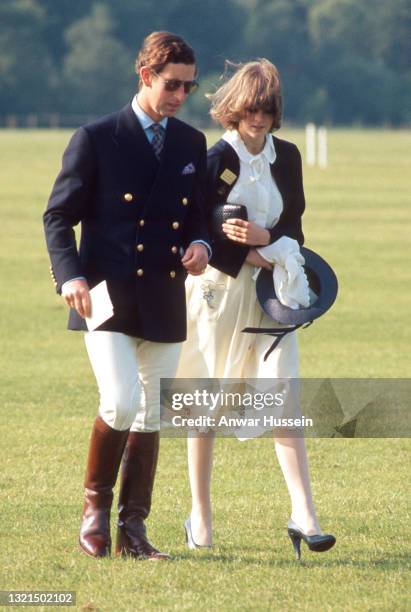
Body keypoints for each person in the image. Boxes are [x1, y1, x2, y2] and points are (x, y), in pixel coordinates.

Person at [43, 31, 210, 560]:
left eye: (189, 86)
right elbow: (58, 216)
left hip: (164, 295)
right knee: (120, 401)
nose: (180, 96)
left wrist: (202, 244)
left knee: (152, 413)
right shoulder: (95, 138)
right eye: (171, 85)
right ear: (145, 77)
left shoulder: (190, 143)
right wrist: (69, 276)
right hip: (104, 297)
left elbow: (199, 214)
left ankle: (132, 533)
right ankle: (94, 512)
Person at [176, 59, 336, 559]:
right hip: (218, 291)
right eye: (251, 110)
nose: (259, 119)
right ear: (234, 109)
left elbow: (297, 229)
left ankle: (304, 513)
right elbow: (194, 230)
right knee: (205, 402)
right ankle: (199, 516)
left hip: (275, 292)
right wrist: (246, 252)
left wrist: (269, 241)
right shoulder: (211, 159)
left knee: (281, 396)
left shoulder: (287, 157)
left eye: (267, 111)